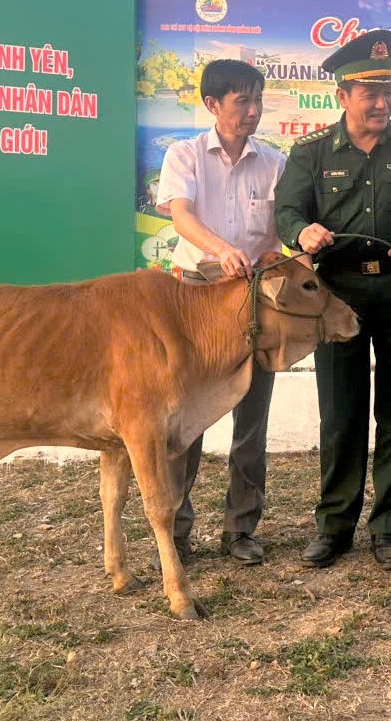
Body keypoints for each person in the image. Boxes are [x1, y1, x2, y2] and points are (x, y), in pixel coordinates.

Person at [273, 29, 391, 570]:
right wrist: (301, 233)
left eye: (387, 91)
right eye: (368, 92)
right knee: (341, 414)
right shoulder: (312, 154)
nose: (381, 102)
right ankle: (334, 526)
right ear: (342, 96)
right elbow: (285, 212)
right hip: (337, 296)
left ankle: (390, 528)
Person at [154, 58, 287, 567]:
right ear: (212, 105)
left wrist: (278, 254)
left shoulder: (274, 163)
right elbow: (182, 215)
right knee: (183, 424)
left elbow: (280, 232)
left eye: (257, 100)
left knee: (252, 420)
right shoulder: (184, 155)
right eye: (241, 102)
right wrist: (220, 250)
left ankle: (241, 529)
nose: (252, 111)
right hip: (194, 297)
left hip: (253, 299)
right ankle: (176, 529)